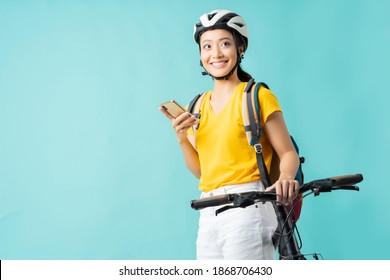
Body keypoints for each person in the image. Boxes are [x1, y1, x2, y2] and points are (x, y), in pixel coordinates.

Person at [160, 9, 300, 260]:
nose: (216, 54)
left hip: (249, 207)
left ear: (240, 49)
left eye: (225, 44)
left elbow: (288, 152)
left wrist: (286, 178)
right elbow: (205, 172)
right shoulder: (197, 106)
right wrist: (182, 138)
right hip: (208, 210)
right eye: (207, 46)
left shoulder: (256, 96)